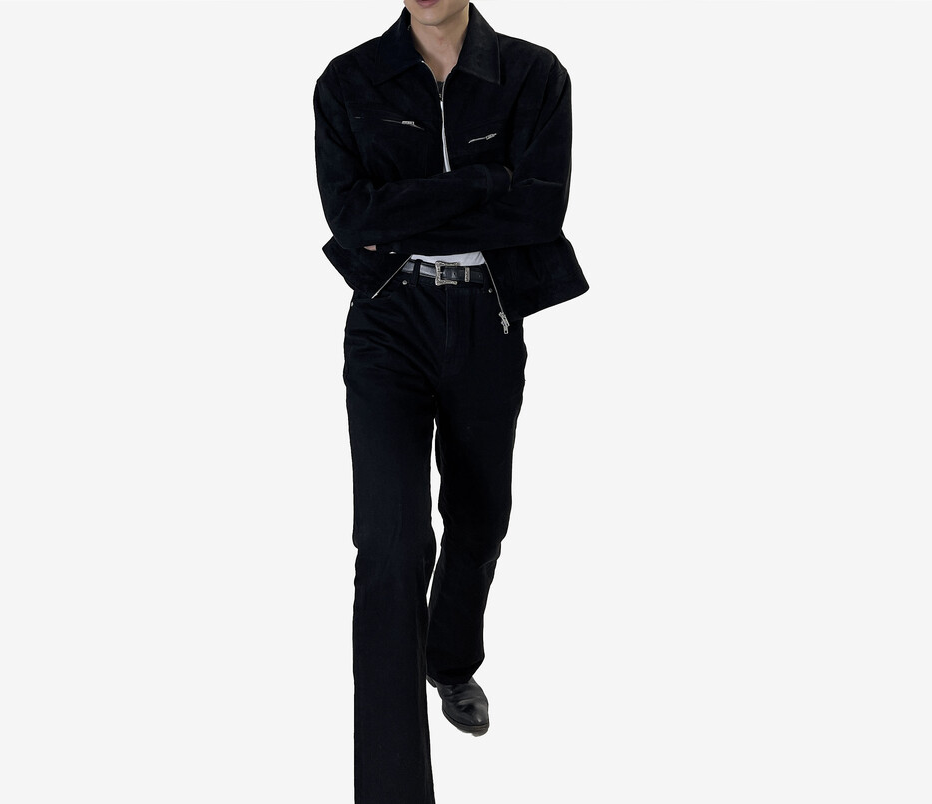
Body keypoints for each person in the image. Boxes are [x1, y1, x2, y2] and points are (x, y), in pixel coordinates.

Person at [313, 2, 588, 801]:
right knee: (391, 547)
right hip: (388, 319)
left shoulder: (534, 75)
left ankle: (451, 659)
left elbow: (537, 211)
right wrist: (484, 181)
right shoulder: (348, 81)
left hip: (487, 316)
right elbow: (348, 218)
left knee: (480, 517)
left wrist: (404, 208)